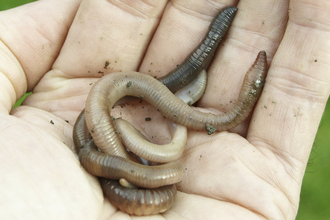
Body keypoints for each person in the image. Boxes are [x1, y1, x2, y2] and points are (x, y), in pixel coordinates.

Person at [0, 0, 328, 219]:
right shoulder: (106, 131)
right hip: (112, 143)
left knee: (213, 111)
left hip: (121, 135)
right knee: (217, 115)